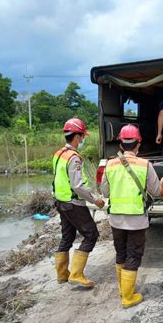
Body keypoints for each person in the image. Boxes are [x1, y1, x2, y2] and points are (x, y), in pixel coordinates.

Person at [101, 124, 163, 308]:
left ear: (121, 145)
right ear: (138, 144)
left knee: (121, 253)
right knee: (133, 255)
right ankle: (128, 297)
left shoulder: (110, 164)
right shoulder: (145, 165)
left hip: (115, 219)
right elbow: (155, 191)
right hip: (137, 219)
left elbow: (104, 191)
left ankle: (123, 289)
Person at [53, 118, 105, 288]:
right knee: (91, 235)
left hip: (60, 202)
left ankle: (62, 275)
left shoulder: (58, 154)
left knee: (67, 237)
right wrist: (95, 199)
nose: (83, 140)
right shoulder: (74, 158)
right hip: (73, 203)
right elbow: (77, 186)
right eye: (82, 136)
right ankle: (76, 274)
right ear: (76, 136)